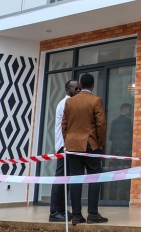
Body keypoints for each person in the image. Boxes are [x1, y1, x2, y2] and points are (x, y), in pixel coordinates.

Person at [63, 73, 108, 224]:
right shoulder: (96, 100)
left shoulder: (70, 102)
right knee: (94, 177)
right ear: (93, 85)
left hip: (72, 144)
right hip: (90, 144)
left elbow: (64, 125)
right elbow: (101, 124)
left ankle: (76, 215)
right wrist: (100, 143)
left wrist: (67, 141)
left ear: (80, 86)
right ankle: (93, 214)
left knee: (75, 178)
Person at [49, 79, 80, 222]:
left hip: (67, 146)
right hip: (64, 146)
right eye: (75, 88)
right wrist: (66, 146)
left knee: (65, 179)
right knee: (60, 178)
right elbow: (64, 127)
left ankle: (61, 209)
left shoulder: (70, 103)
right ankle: (55, 212)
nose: (78, 90)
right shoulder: (65, 103)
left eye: (79, 88)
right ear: (68, 90)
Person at [110, 102, 134, 202]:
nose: (131, 112)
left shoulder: (114, 122)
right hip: (125, 152)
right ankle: (123, 196)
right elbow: (130, 137)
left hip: (114, 151)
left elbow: (110, 137)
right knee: (124, 173)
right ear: (124, 109)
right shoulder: (128, 121)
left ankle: (112, 196)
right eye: (130, 109)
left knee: (114, 173)